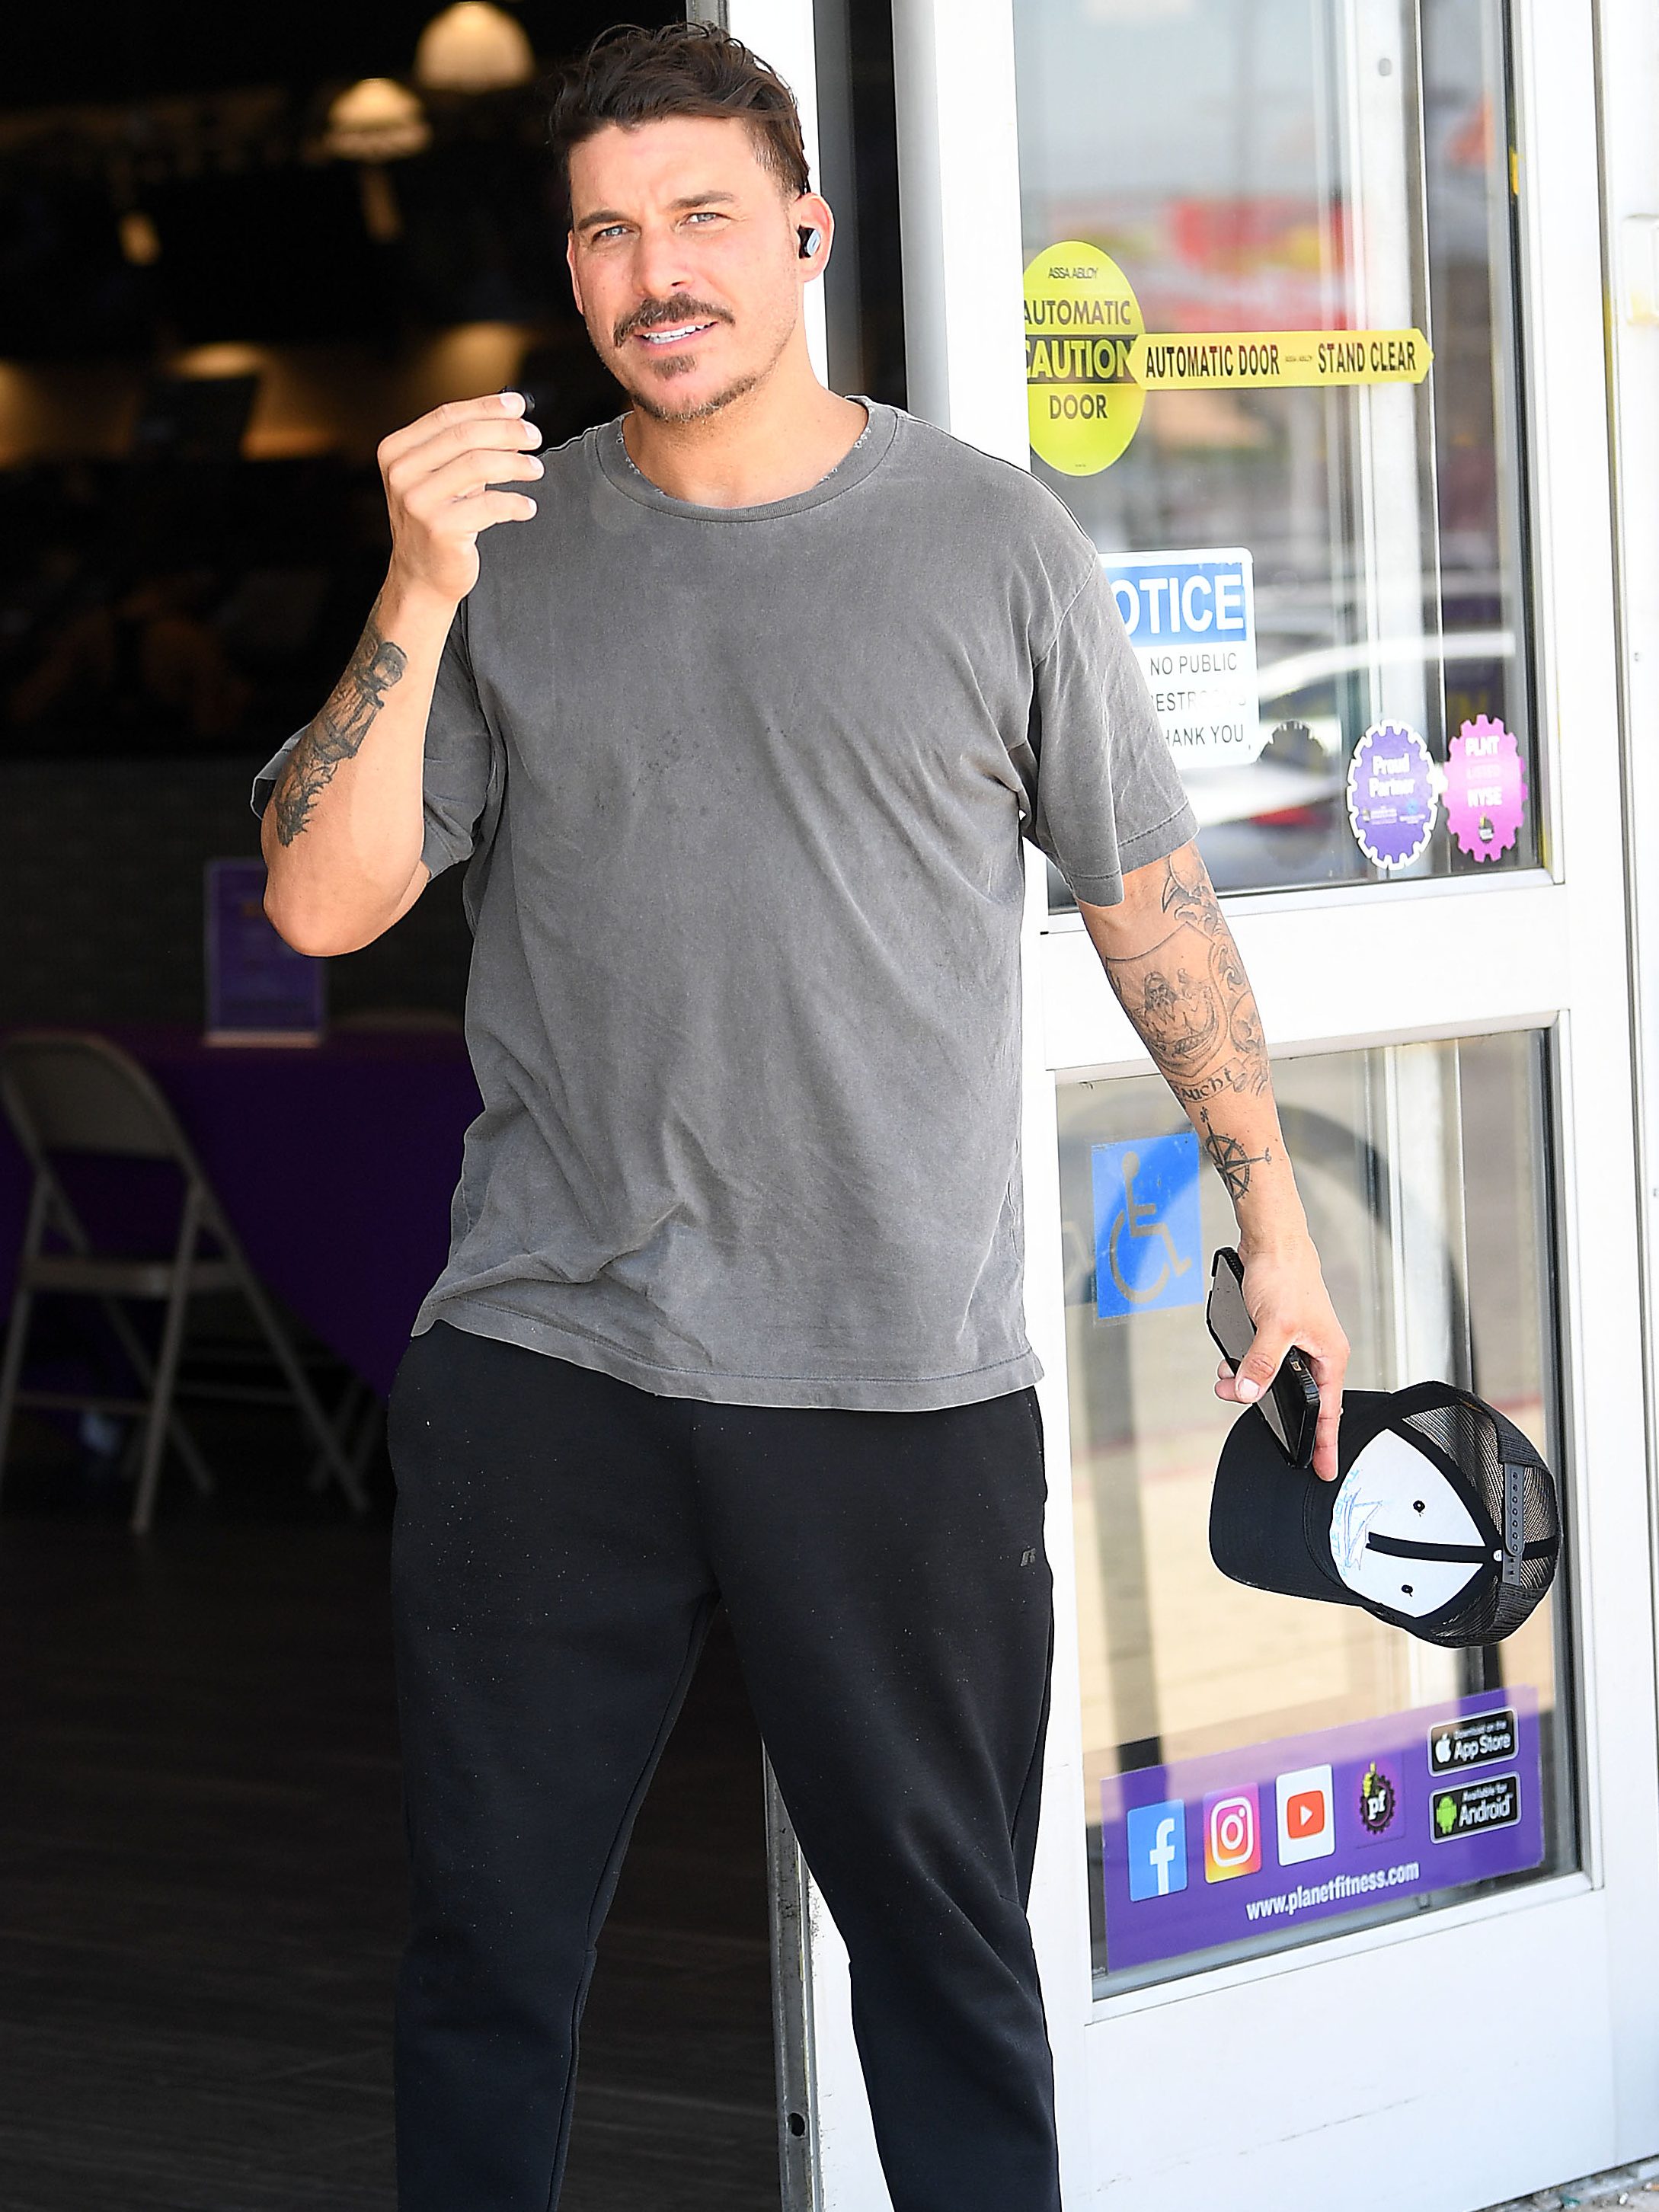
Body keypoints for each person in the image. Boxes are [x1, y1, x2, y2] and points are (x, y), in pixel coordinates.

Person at [252, 24, 1349, 2212]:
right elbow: (317, 897)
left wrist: (1273, 1217)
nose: (655, 270)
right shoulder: (505, 552)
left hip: (889, 1372)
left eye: (701, 219)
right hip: (550, 1362)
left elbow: (1149, 908)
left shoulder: (985, 541)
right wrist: (411, 584)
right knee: (486, 1964)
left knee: (941, 1967)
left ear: (805, 238)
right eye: (605, 231)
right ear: (568, 276)